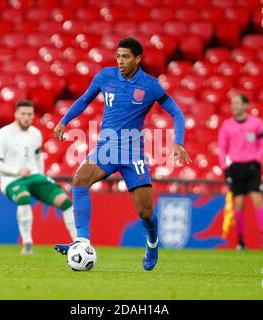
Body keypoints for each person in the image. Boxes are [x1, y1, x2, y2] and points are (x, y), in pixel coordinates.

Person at [53, 37, 191, 271]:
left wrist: (178, 142)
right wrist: (65, 121)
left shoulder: (150, 85)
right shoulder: (105, 76)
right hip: (106, 148)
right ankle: (82, 241)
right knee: (79, 181)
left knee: (145, 212)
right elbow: (85, 99)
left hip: (132, 153)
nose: (120, 61)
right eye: (118, 56)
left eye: (125, 56)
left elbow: (176, 112)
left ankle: (152, 241)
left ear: (137, 59)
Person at [0, 100, 77, 254]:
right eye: (23, 114)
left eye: (29, 114)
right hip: (12, 179)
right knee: (23, 198)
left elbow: (37, 158)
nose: (26, 117)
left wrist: (41, 176)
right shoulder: (4, 133)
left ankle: (78, 243)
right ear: (16, 115)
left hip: (35, 176)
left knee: (65, 201)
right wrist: (17, 171)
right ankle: (28, 243)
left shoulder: (36, 133)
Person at [218, 93, 263, 250]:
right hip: (236, 168)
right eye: (232, 103)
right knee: (239, 203)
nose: (233, 106)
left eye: (237, 103)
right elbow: (221, 149)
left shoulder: (256, 123)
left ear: (246, 105)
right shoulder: (226, 125)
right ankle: (240, 240)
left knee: (257, 200)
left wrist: (258, 160)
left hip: (252, 167)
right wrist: (225, 169)